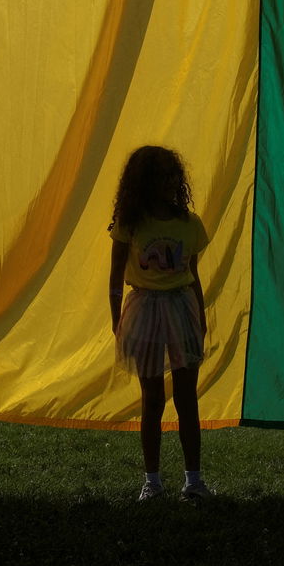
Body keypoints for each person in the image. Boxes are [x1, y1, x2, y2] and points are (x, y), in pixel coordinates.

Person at [107, 146, 212, 502]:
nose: (168, 183)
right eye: (159, 178)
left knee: (186, 399)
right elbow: (116, 274)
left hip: (181, 308)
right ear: (142, 184)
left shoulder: (189, 224)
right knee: (152, 399)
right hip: (145, 311)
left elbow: (192, 273)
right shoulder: (131, 223)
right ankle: (151, 481)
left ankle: (193, 481)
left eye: (172, 176)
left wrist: (202, 315)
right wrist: (115, 316)